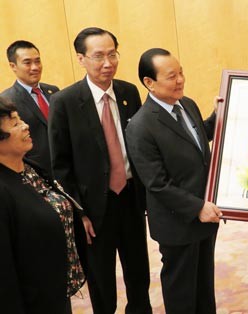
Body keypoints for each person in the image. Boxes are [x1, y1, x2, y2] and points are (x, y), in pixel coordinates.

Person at [48, 27, 151, 314]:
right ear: (81, 59)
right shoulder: (64, 102)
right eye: (98, 56)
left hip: (130, 197)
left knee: (139, 272)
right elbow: (62, 165)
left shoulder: (129, 92)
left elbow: (139, 145)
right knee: (102, 278)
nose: (108, 63)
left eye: (113, 54)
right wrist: (78, 212)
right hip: (93, 207)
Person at [126, 48, 222, 314]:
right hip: (178, 222)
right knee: (181, 291)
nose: (180, 80)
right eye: (171, 76)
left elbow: (195, 137)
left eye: (181, 73)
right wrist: (196, 208)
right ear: (149, 83)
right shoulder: (141, 126)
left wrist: (217, 117)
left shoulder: (186, 103)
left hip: (205, 214)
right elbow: (156, 183)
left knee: (204, 284)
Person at [0, 96, 86, 314]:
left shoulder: (31, 168)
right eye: (15, 123)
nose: (25, 126)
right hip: (32, 302)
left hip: (56, 290)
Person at [1, 40, 59, 175]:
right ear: (13, 66)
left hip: (65, 169)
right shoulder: (6, 101)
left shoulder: (54, 91)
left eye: (38, 61)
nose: (35, 67)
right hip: (37, 173)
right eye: (27, 63)